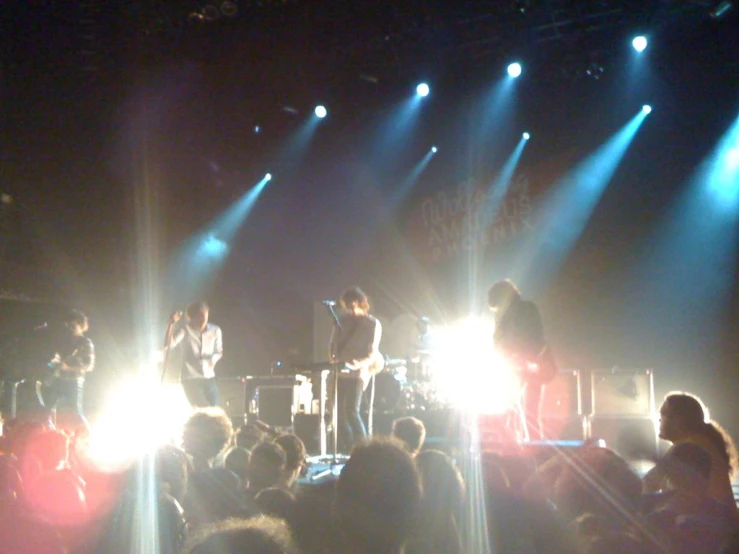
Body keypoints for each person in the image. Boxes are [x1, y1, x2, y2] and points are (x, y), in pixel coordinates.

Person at [643, 392, 738, 516]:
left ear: (679, 420)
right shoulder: (697, 442)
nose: (659, 418)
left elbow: (649, 481)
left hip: (714, 528)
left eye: (664, 413)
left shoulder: (690, 447)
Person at [487, 279, 555, 441]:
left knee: (528, 410)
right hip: (516, 367)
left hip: (530, 366)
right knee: (516, 410)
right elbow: (497, 341)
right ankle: (521, 445)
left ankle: (532, 447)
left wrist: (525, 358)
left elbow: (537, 337)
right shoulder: (504, 315)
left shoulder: (526, 309)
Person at [329, 286, 384, 451]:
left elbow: (371, 353)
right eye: (347, 306)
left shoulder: (372, 324)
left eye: (352, 306)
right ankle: (350, 448)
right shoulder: (341, 322)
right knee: (337, 414)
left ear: (361, 303)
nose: (350, 310)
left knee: (352, 411)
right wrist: (333, 358)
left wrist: (353, 364)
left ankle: (366, 449)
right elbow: (332, 344)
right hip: (339, 372)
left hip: (357, 374)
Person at [168, 301, 223, 409]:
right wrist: (171, 324)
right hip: (190, 378)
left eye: (205, 316)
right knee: (202, 409)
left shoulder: (215, 330)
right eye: (200, 317)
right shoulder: (185, 330)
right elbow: (169, 345)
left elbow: (219, 351)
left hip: (208, 376)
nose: (203, 320)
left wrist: (214, 359)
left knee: (215, 408)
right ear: (191, 317)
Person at [42, 309, 94, 418]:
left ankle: (85, 433)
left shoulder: (86, 342)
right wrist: (54, 361)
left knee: (76, 413)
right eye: (68, 325)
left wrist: (68, 368)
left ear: (81, 325)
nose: (70, 328)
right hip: (58, 379)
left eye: (73, 325)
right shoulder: (65, 340)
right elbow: (57, 360)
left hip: (74, 381)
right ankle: (51, 433)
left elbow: (89, 366)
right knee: (47, 411)